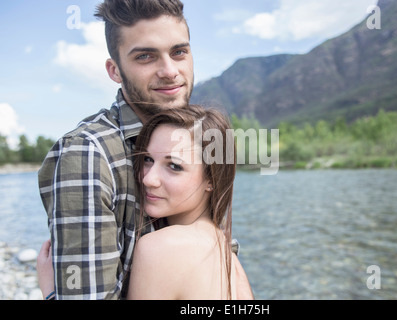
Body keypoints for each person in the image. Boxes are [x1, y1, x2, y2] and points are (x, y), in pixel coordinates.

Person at [37, 0, 252, 300]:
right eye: (145, 57)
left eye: (179, 52)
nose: (169, 71)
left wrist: (48, 293)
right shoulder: (88, 153)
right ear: (115, 70)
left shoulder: (193, 137)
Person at [38, 105, 254, 300]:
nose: (148, 179)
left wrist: (50, 292)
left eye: (174, 166)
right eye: (148, 159)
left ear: (211, 180)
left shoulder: (161, 247)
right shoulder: (228, 254)